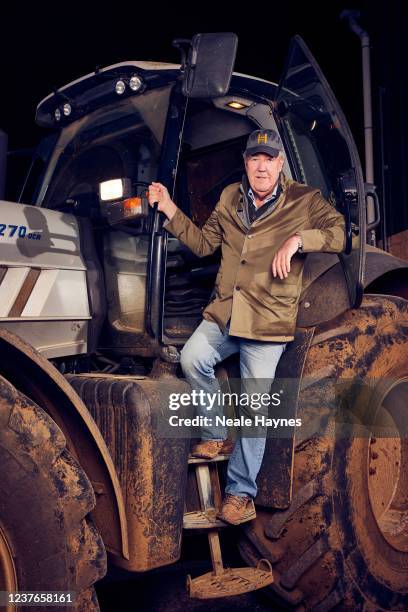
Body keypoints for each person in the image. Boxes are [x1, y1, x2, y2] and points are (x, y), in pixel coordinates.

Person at [148, 128, 346, 525]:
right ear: (246, 163)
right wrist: (170, 208)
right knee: (192, 359)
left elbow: (341, 233)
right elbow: (204, 244)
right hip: (226, 312)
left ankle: (241, 494)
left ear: (279, 164)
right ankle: (216, 431)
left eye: (268, 158)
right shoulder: (229, 198)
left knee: (255, 410)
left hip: (267, 321)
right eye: (255, 158)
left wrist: (297, 241)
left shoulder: (304, 200)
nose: (261, 166)